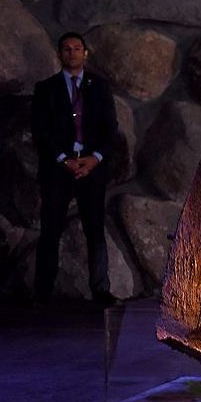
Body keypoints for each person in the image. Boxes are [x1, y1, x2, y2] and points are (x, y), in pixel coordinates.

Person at [31, 32, 118, 305]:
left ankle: (101, 289)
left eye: (77, 48)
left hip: (92, 167)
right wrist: (63, 159)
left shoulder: (100, 88)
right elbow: (41, 130)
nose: (72, 53)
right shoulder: (46, 88)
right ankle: (43, 292)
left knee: (95, 229)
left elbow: (110, 129)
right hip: (58, 169)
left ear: (86, 53)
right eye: (66, 49)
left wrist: (95, 158)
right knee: (51, 229)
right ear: (60, 54)